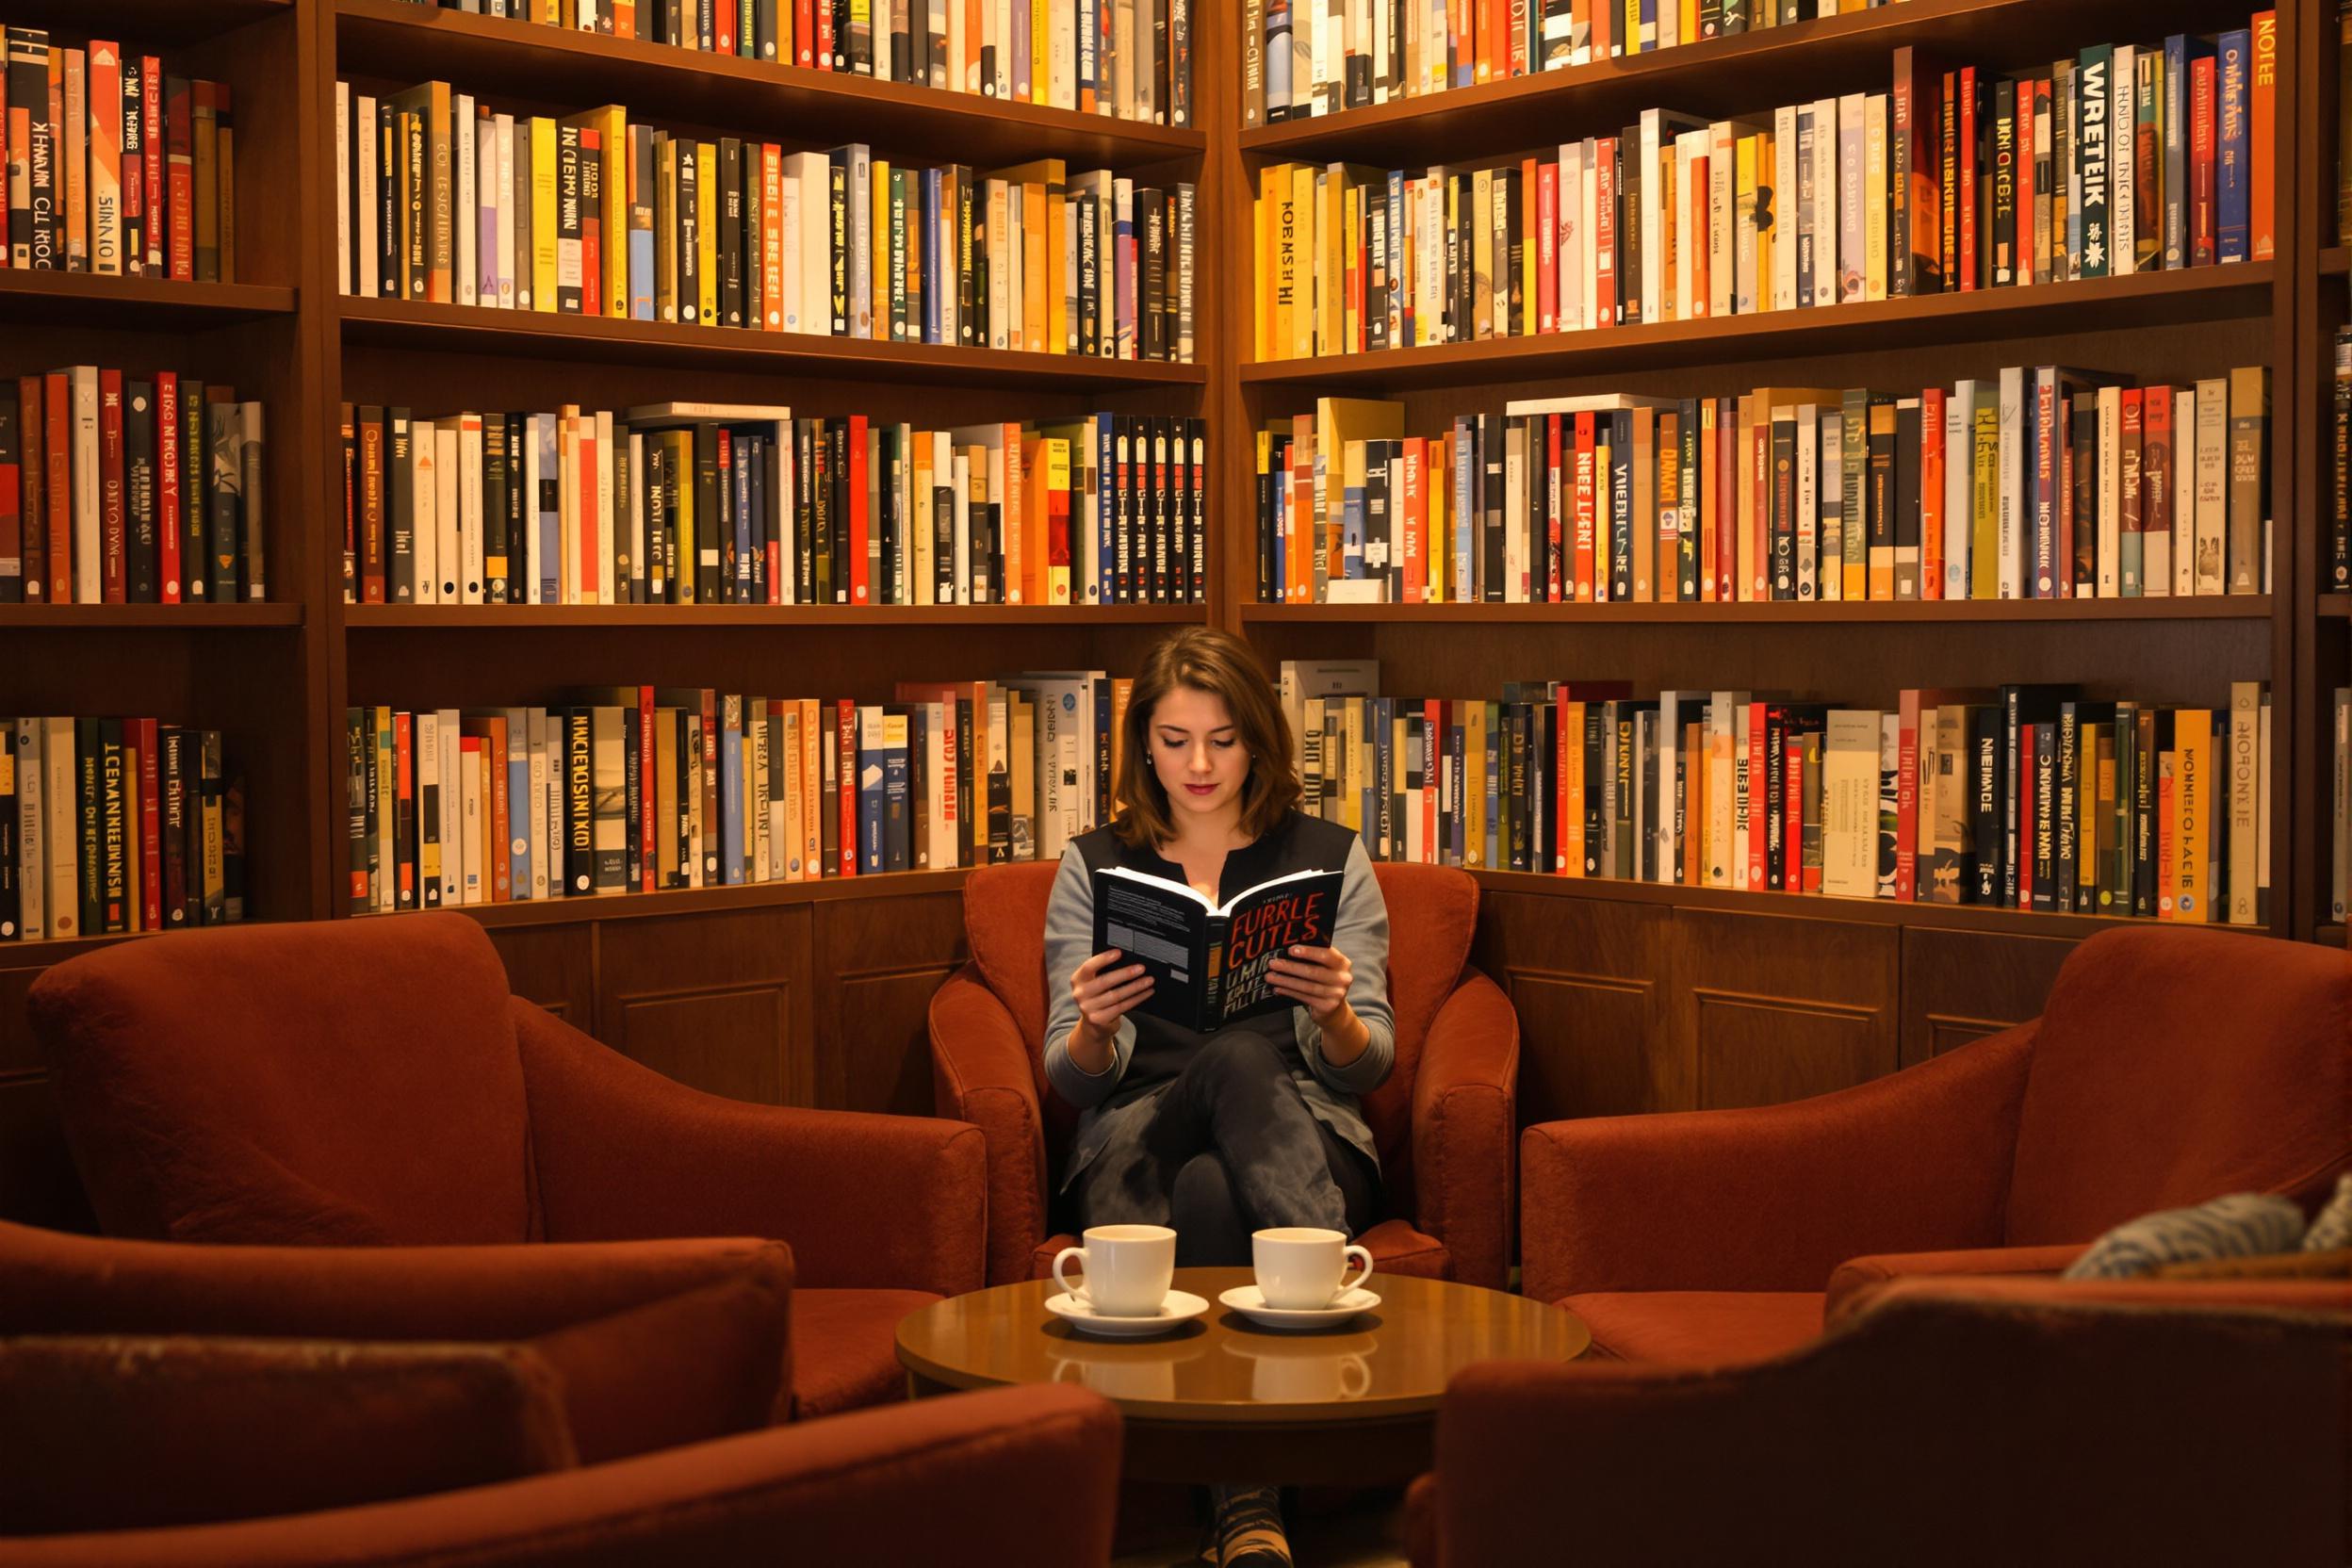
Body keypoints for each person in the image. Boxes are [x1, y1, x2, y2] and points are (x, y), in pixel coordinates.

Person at [1042, 627, 1394, 1568]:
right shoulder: (1094, 866)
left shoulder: (1327, 857)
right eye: (1174, 739)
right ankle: (1325, 1298)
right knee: (1222, 1073)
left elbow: (1369, 1065)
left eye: (1224, 739)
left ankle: (1244, 1512)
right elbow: (1066, 1077)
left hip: (1300, 1137)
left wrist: (1337, 1015)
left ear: (1259, 741)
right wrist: (1093, 1028)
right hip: (1133, 1142)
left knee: (1230, 1106)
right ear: (1142, 744)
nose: (1198, 764)